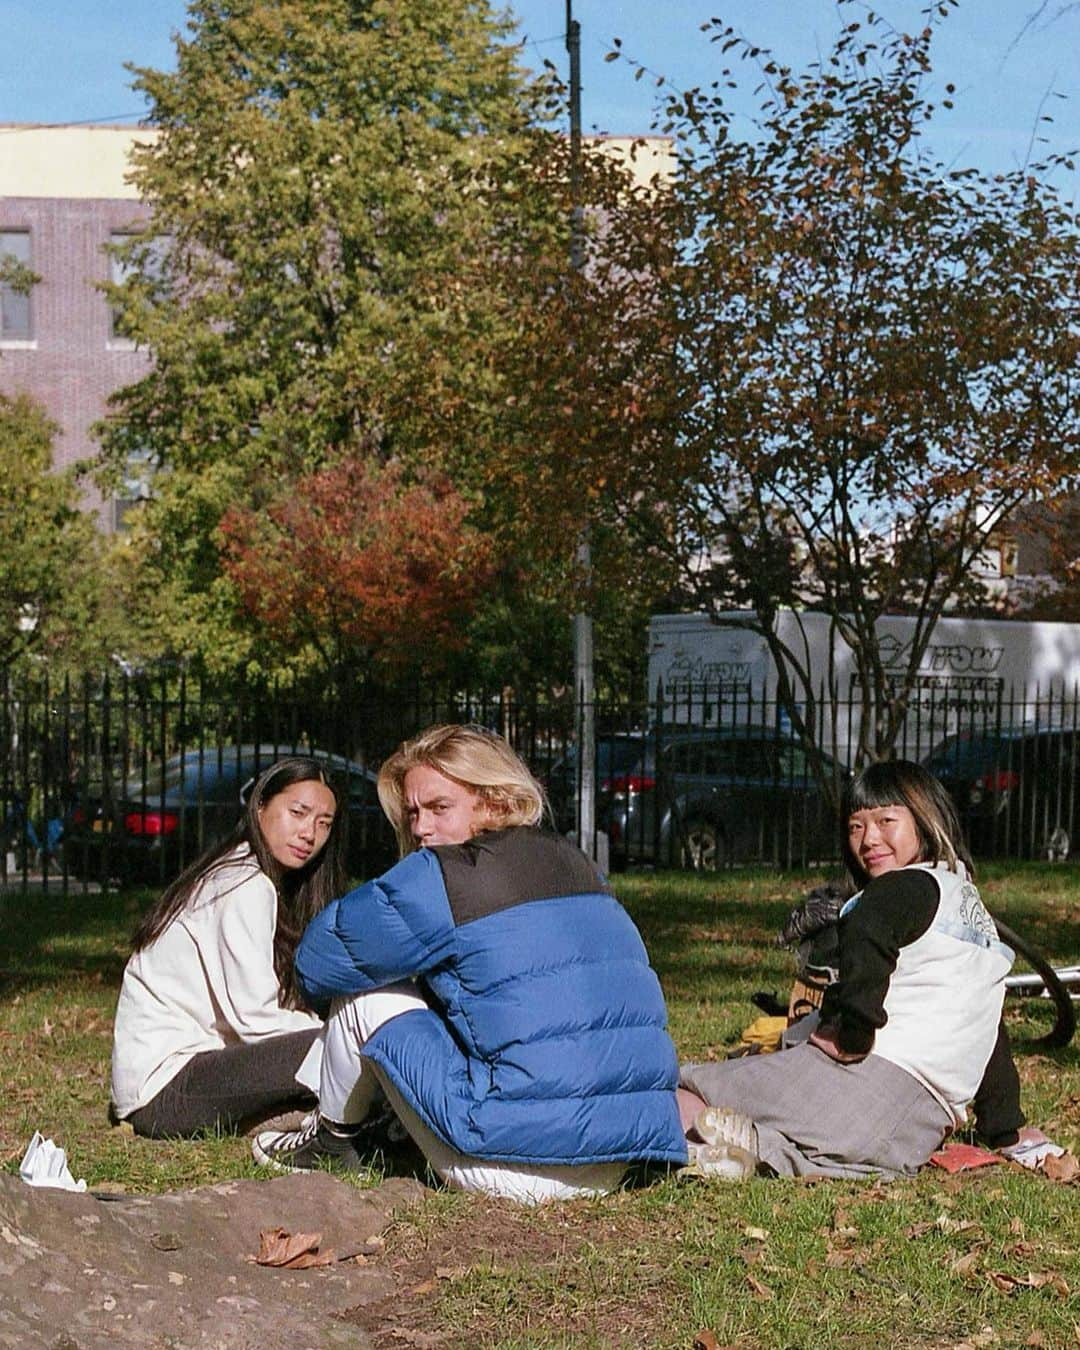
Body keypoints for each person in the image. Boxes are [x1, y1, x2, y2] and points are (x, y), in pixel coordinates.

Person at [252, 724, 687, 1202]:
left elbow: (318, 962)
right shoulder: (578, 862)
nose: (419, 827)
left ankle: (331, 1144)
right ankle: (395, 1125)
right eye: (413, 812)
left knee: (366, 993)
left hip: (510, 1170)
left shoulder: (444, 874)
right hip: (620, 1159)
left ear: (495, 802)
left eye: (440, 807)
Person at [678, 760, 1016, 1179]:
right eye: (855, 827)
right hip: (912, 1131)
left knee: (687, 1088)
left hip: (862, 1084)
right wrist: (1004, 1129)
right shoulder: (971, 914)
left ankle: (678, 1145)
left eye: (885, 820)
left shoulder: (896, 889)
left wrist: (855, 1035)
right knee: (823, 1152)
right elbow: (989, 1028)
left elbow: (868, 930)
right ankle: (757, 1148)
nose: (869, 838)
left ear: (926, 822)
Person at [110, 756, 347, 1137]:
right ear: (260, 806)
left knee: (340, 1048)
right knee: (347, 1045)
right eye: (297, 812)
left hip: (180, 1080)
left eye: (324, 824)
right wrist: (340, 1030)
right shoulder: (245, 884)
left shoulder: (238, 869)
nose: (309, 833)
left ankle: (295, 1117)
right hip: (164, 1091)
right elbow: (255, 1019)